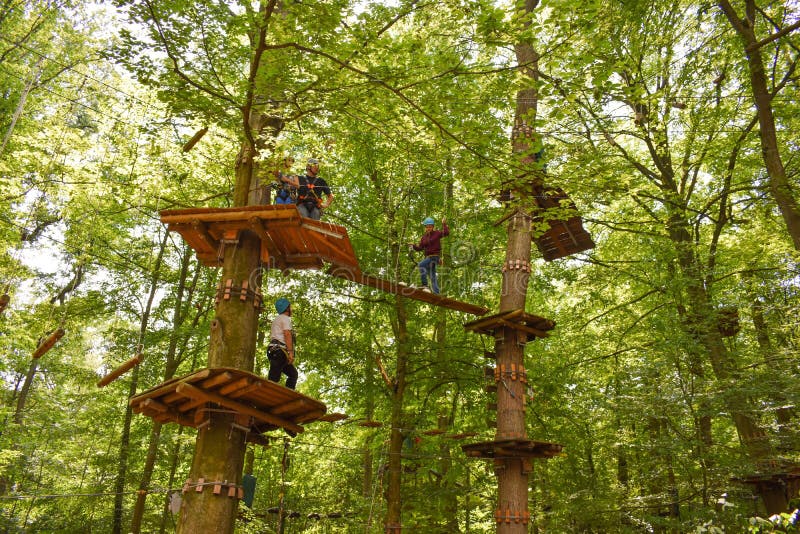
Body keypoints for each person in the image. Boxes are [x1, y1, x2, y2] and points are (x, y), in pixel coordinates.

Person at [408, 217, 449, 294]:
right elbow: (420, 248)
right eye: (427, 227)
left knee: (421, 265)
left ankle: (425, 285)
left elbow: (446, 233)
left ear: (433, 227)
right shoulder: (424, 238)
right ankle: (437, 293)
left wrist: (444, 223)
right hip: (428, 258)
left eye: (430, 226)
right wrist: (413, 246)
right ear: (425, 228)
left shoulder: (437, 233)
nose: (429, 228)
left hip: (435, 257)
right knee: (432, 276)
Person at [267, 298, 298, 390]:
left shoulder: (278, 319)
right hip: (278, 351)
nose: (291, 309)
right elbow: (287, 334)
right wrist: (291, 353)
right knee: (273, 379)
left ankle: (288, 395)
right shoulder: (285, 318)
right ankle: (267, 395)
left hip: (278, 351)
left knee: (293, 374)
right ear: (287, 308)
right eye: (290, 307)